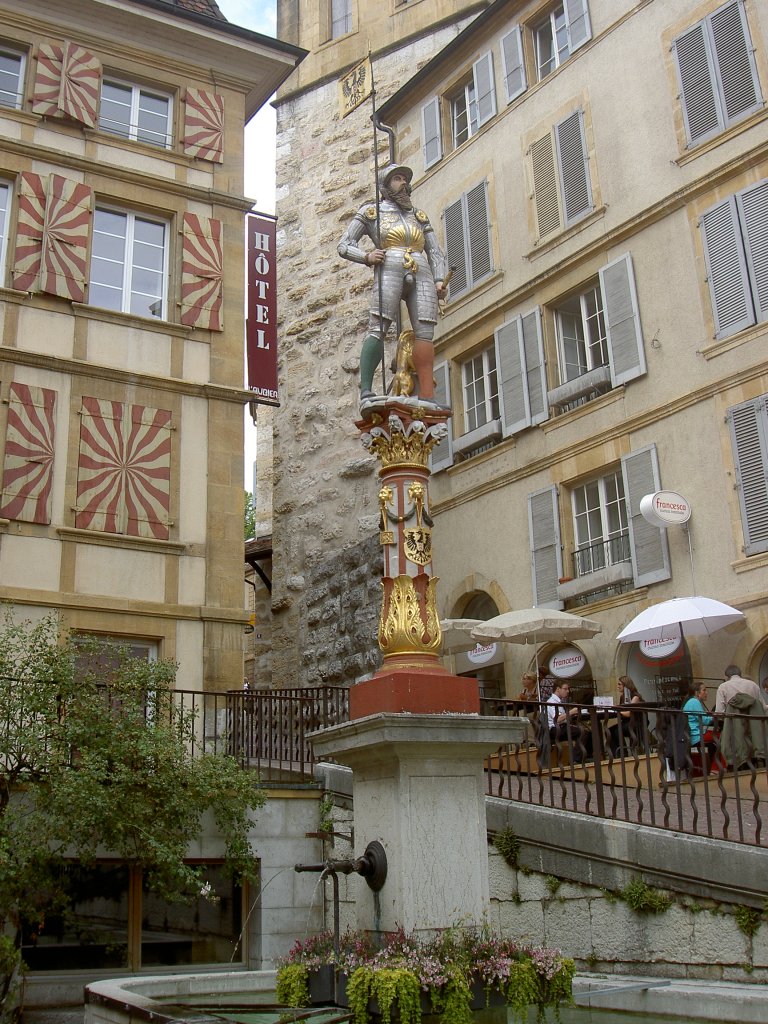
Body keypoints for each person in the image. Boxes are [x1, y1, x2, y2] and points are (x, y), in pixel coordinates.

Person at [337, 163, 448, 408]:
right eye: (398, 178)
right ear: (386, 186)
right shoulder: (371, 212)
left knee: (425, 332)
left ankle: (427, 394)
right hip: (390, 263)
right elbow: (344, 245)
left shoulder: (419, 216)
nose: (404, 183)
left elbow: (435, 252)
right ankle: (366, 390)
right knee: (379, 326)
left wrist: (439, 280)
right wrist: (366, 256)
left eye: (405, 179)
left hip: (421, 268)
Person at [716, 665, 767, 767]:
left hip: (734, 729)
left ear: (727, 676)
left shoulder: (723, 687)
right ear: (740, 674)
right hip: (754, 730)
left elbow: (719, 712)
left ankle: (738, 763)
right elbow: (762, 707)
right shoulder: (753, 685)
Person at [546, 681, 592, 763]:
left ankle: (586, 756)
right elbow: (557, 719)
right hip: (555, 729)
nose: (568, 691)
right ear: (558, 689)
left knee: (588, 732)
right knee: (583, 732)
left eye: (568, 689)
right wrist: (571, 712)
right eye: (565, 689)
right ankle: (576, 760)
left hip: (561, 727)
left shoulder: (558, 701)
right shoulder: (552, 702)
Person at [606, 675, 643, 756]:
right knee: (608, 730)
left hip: (636, 722)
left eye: (620, 684)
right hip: (627, 723)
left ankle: (623, 754)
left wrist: (617, 710)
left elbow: (629, 713)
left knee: (616, 730)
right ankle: (617, 754)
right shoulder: (622, 697)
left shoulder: (635, 697)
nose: (618, 686)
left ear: (626, 685)